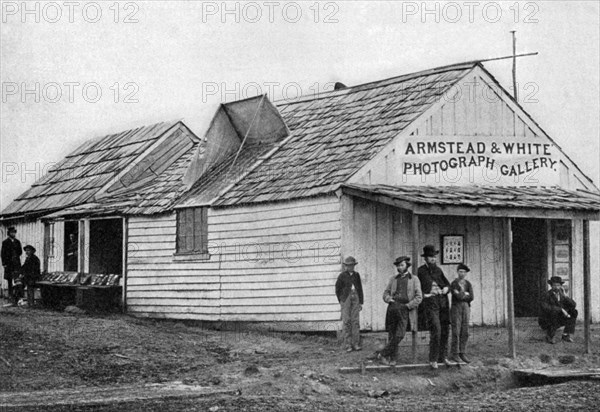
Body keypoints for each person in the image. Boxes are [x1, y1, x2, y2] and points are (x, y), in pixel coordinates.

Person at [378, 256, 422, 366]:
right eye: (398, 265)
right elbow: (385, 293)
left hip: (405, 308)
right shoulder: (393, 279)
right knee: (392, 334)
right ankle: (392, 358)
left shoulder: (414, 279)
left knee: (400, 334)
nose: (400, 267)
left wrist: (408, 306)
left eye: (402, 265)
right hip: (393, 307)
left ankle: (383, 353)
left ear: (407, 265)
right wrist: (389, 299)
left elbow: (419, 297)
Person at [417, 244, 451, 369]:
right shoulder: (421, 271)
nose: (433, 259)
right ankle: (433, 359)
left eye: (434, 257)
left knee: (445, 329)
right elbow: (417, 288)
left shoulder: (438, 270)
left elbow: (446, 283)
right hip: (430, 303)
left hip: (442, 301)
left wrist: (446, 289)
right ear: (425, 258)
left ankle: (443, 357)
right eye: (430, 257)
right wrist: (425, 295)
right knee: (436, 329)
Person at [335, 256, 364, 352]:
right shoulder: (342, 276)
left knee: (355, 321)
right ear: (345, 266)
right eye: (348, 266)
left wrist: (360, 302)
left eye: (351, 265)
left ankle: (356, 343)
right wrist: (342, 301)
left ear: (354, 266)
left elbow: (360, 288)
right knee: (346, 321)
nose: (350, 267)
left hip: (356, 297)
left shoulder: (357, 275)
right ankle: (348, 344)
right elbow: (337, 289)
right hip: (345, 298)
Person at [539, 276, 578, 344]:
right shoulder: (546, 295)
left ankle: (566, 335)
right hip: (547, 318)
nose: (557, 287)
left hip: (559, 317)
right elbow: (545, 307)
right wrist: (561, 309)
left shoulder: (562, 295)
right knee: (554, 313)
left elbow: (573, 305)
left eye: (558, 285)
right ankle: (550, 336)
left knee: (574, 312)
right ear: (551, 286)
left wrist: (565, 296)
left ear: (560, 286)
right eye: (554, 285)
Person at [449, 263, 474, 363]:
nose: (462, 273)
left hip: (466, 307)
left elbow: (471, 297)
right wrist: (464, 294)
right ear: (457, 272)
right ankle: (455, 353)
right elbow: (457, 296)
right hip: (456, 308)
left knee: (465, 331)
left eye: (464, 272)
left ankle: (462, 352)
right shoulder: (454, 283)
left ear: (466, 273)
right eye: (460, 271)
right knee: (456, 331)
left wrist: (462, 294)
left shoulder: (468, 284)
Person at [1, 226, 22, 306]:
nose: (13, 234)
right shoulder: (5, 242)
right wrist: (4, 264)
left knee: (17, 280)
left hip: (16, 264)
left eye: (14, 232)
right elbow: (2, 254)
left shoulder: (17, 242)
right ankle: (10, 296)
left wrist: (15, 256)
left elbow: (20, 252)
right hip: (9, 264)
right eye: (11, 232)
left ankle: (17, 297)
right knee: (10, 280)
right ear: (9, 233)